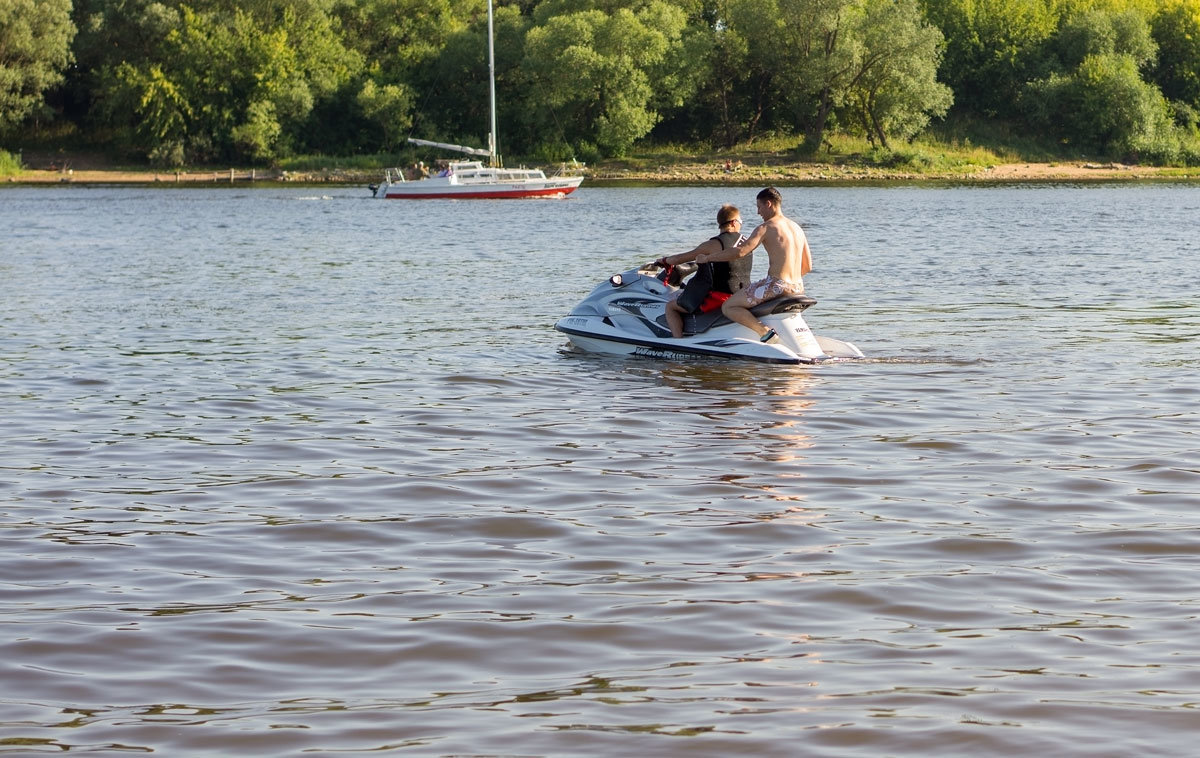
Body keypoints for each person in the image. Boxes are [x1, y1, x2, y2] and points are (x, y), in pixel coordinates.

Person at [696, 187, 811, 343]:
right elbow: (808, 266)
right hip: (798, 287)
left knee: (729, 306)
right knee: (756, 288)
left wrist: (708, 258)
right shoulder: (797, 228)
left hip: (777, 285)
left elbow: (740, 252)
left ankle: (764, 332)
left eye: (759, 207)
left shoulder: (766, 227)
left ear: (768, 204)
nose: (758, 212)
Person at [655, 204, 752, 338]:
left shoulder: (713, 244)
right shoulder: (748, 242)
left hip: (721, 298)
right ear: (734, 223)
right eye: (741, 222)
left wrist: (664, 260)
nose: (740, 224)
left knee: (671, 307)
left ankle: (678, 342)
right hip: (743, 294)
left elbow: (679, 259)